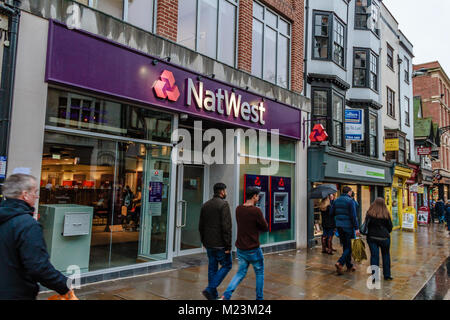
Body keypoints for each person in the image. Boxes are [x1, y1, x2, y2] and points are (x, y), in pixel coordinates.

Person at [0, 174, 76, 300]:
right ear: (25, 194)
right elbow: (39, 267)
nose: (37, 196)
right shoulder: (27, 225)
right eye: (35, 192)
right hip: (16, 294)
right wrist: (64, 284)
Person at [220, 186, 269, 300]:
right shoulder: (256, 211)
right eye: (257, 196)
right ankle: (259, 298)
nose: (258, 198)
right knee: (259, 273)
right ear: (254, 196)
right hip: (253, 249)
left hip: (241, 249)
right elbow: (265, 227)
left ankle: (226, 295)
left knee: (240, 273)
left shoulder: (238, 209)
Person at [199, 183, 232, 300]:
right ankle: (210, 289)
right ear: (222, 191)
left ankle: (212, 296)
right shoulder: (224, 205)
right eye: (225, 191)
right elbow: (226, 227)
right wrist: (228, 246)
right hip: (221, 244)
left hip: (209, 243)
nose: (226, 193)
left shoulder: (205, 205)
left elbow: (201, 226)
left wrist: (203, 240)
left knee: (212, 268)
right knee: (227, 265)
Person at [330, 186, 360, 275]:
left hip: (339, 226)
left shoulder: (336, 200)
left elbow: (331, 213)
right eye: (351, 191)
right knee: (349, 247)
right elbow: (353, 216)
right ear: (349, 192)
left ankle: (349, 265)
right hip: (348, 226)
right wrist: (356, 228)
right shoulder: (350, 201)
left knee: (345, 246)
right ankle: (340, 262)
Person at [364, 198, 393, 281]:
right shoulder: (386, 214)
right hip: (384, 238)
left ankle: (375, 277)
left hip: (372, 237)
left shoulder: (369, 213)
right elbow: (390, 227)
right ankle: (387, 275)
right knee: (386, 255)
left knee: (374, 256)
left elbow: (367, 225)